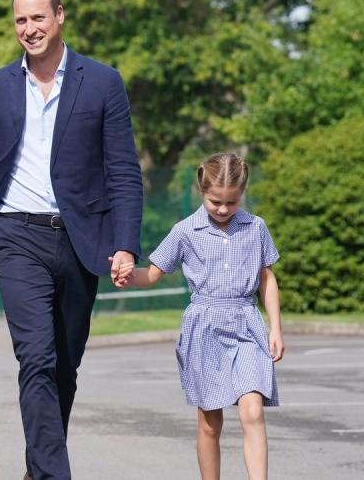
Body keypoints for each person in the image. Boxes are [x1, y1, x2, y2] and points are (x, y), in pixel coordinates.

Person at [0, 0, 143, 479]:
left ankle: (38, 470)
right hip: (15, 235)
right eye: (20, 19)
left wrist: (125, 245)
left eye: (38, 17)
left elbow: (123, 170)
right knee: (35, 357)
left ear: (60, 16)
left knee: (63, 367)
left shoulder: (102, 82)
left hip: (82, 242)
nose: (29, 29)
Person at [117, 153, 283, 480]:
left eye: (231, 202)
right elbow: (152, 274)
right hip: (204, 328)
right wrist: (125, 275)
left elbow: (267, 278)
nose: (222, 209)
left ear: (242, 194)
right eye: (215, 201)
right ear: (201, 191)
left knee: (253, 412)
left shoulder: (256, 227)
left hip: (247, 324)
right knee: (210, 423)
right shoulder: (185, 230)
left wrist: (275, 328)